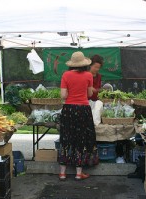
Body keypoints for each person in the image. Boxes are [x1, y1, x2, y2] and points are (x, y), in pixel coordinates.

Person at [59, 51, 99, 181]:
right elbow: (89, 94)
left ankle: (62, 173)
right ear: (84, 64)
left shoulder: (65, 75)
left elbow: (63, 95)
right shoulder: (88, 75)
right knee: (81, 138)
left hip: (69, 109)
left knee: (66, 137)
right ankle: (78, 173)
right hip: (83, 110)